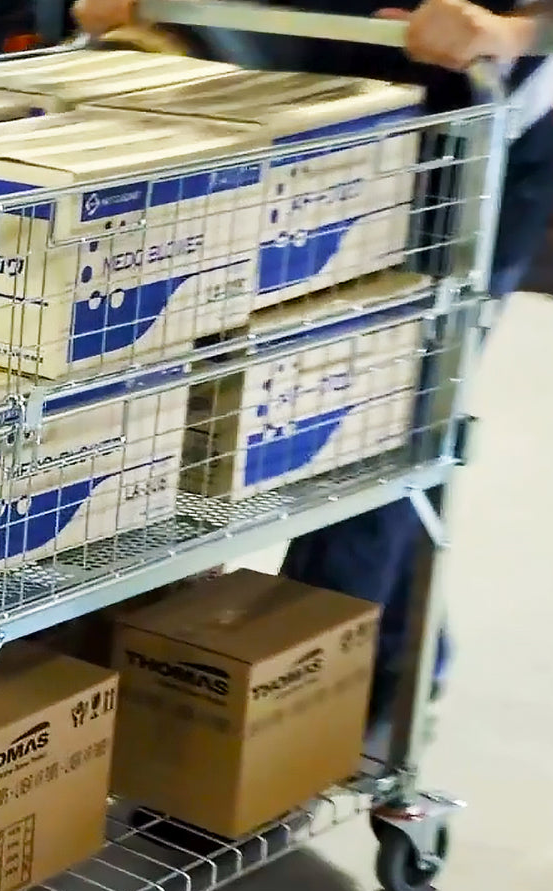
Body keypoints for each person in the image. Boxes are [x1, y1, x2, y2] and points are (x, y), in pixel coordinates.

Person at [72, 0, 553, 727]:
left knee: (384, 415)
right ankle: (388, 656)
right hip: (335, 111)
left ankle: (312, 721)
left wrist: (512, 33)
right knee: (322, 407)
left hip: (477, 128)